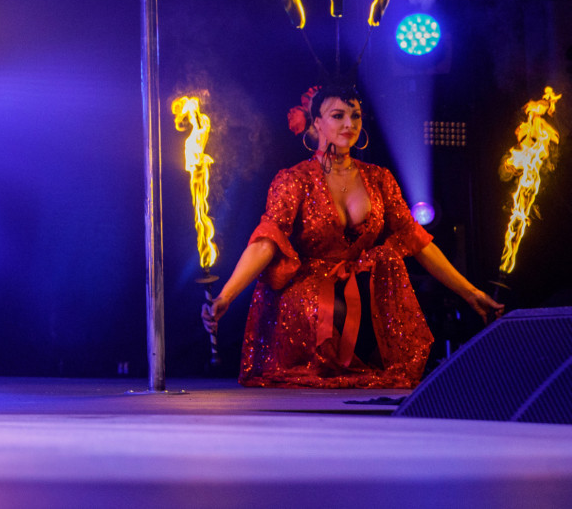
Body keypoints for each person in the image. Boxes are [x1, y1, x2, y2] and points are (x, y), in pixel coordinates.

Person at [202, 83, 501, 388]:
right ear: (317, 122)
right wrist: (226, 296)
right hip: (311, 292)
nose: (349, 124)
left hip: (363, 288)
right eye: (338, 115)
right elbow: (267, 242)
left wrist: (470, 293)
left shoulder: (379, 178)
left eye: (355, 115)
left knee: (389, 261)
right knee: (328, 308)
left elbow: (417, 242)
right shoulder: (294, 179)